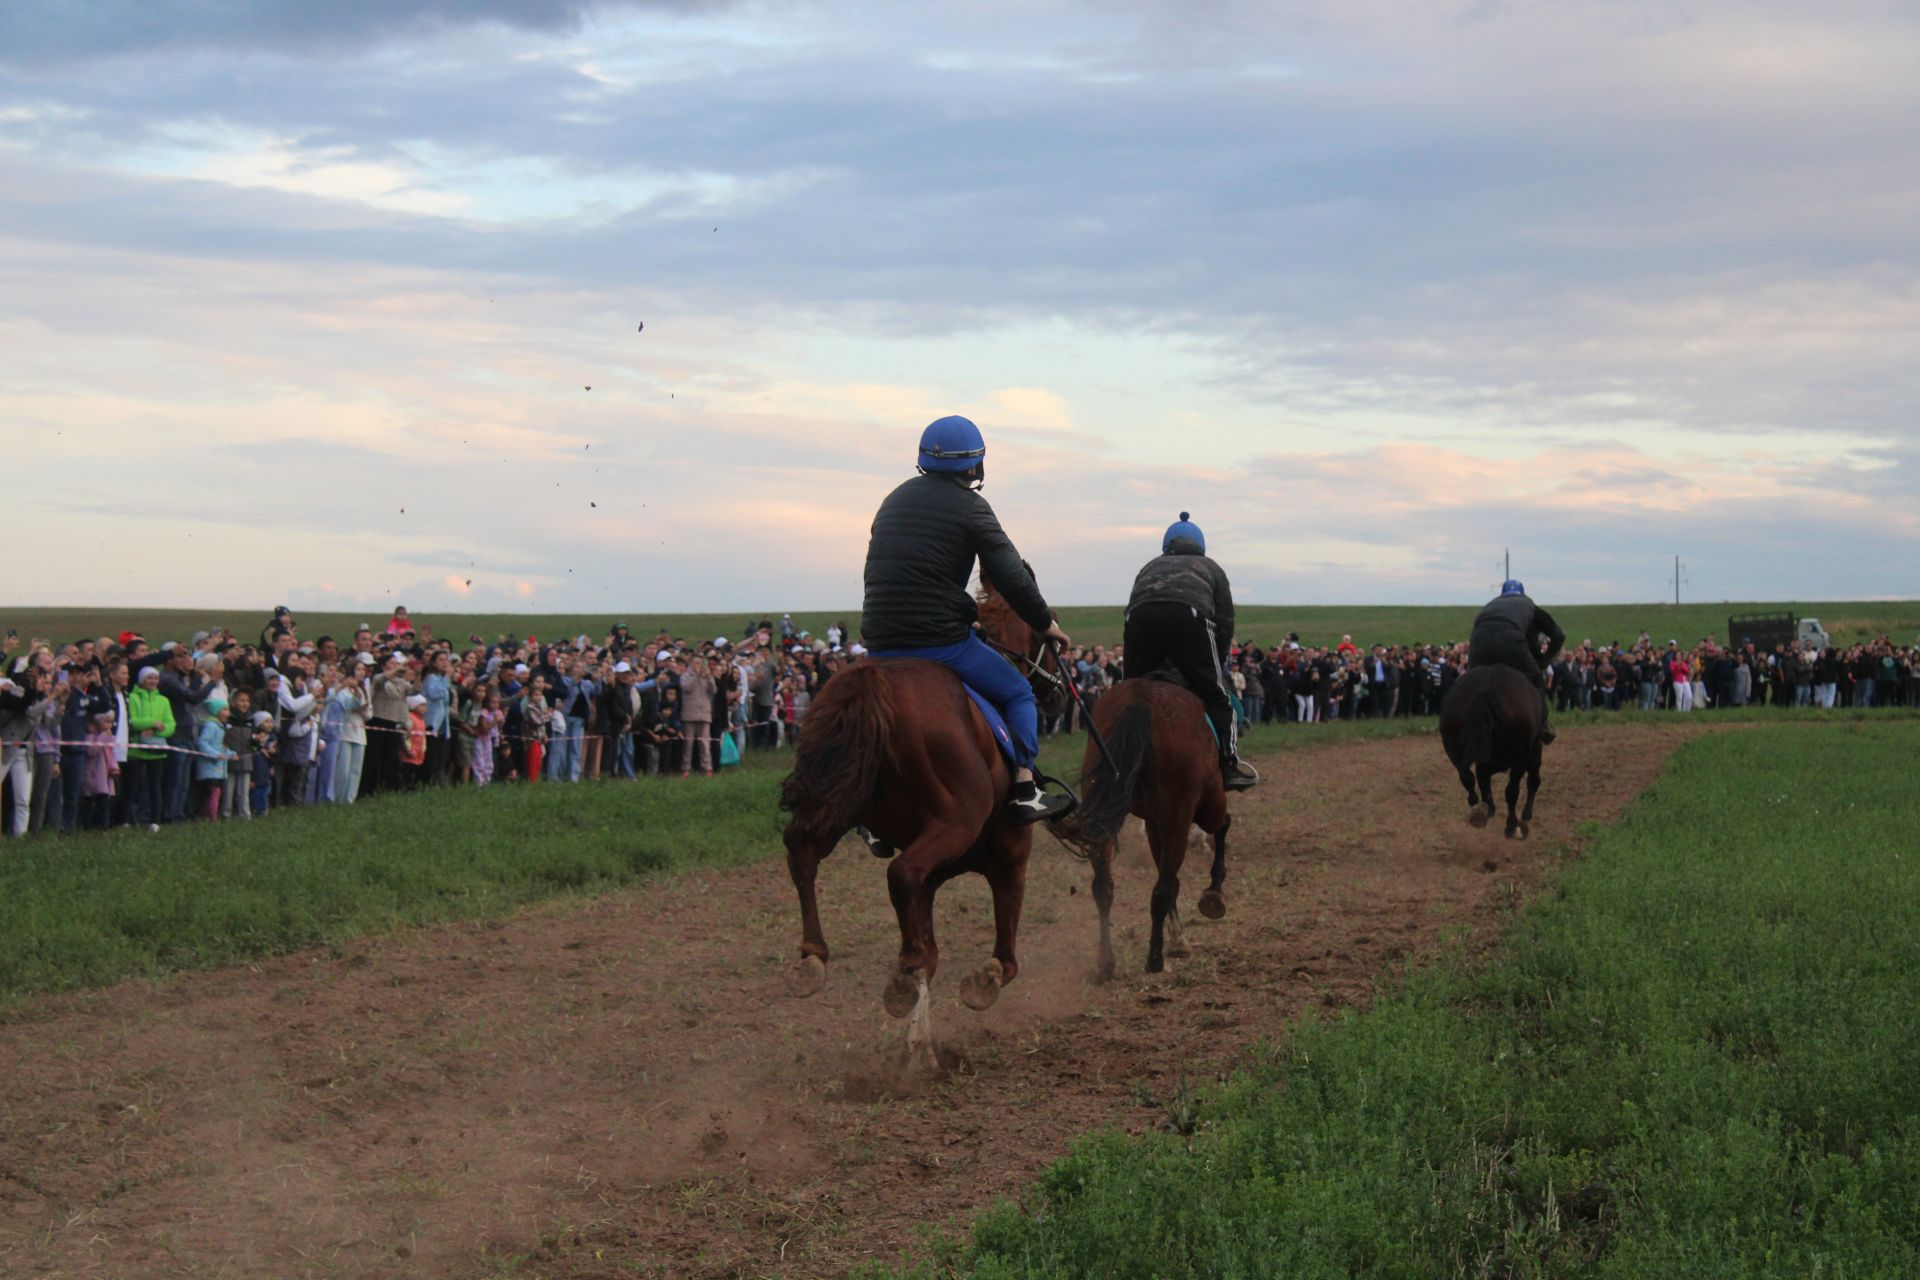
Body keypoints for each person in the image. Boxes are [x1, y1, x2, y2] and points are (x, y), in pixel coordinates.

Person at [860, 414, 1075, 822]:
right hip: (937, 642)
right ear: (975, 465)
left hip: (880, 641)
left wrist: (962, 614)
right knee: (1017, 693)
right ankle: (1026, 788)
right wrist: (1045, 623)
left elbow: (897, 573)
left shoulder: (894, 500)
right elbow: (1012, 576)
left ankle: (871, 811)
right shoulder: (972, 508)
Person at [1120, 513, 1257, 790]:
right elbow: (1225, 623)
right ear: (1201, 546)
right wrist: (1215, 665)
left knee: (1129, 693)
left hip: (1139, 619)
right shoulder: (1212, 568)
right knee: (1217, 696)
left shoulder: (1149, 567)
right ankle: (1229, 764)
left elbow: (1134, 607)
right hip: (1189, 616)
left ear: (1166, 546)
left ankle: (1116, 762)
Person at [1467, 579, 1566, 744]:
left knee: (1472, 683)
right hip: (1510, 640)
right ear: (1522, 593)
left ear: (1502, 594)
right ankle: (1542, 725)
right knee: (1536, 678)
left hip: (1479, 642)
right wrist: (1544, 660)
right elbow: (1559, 636)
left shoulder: (1489, 605)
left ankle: (1468, 722)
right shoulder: (1528, 605)